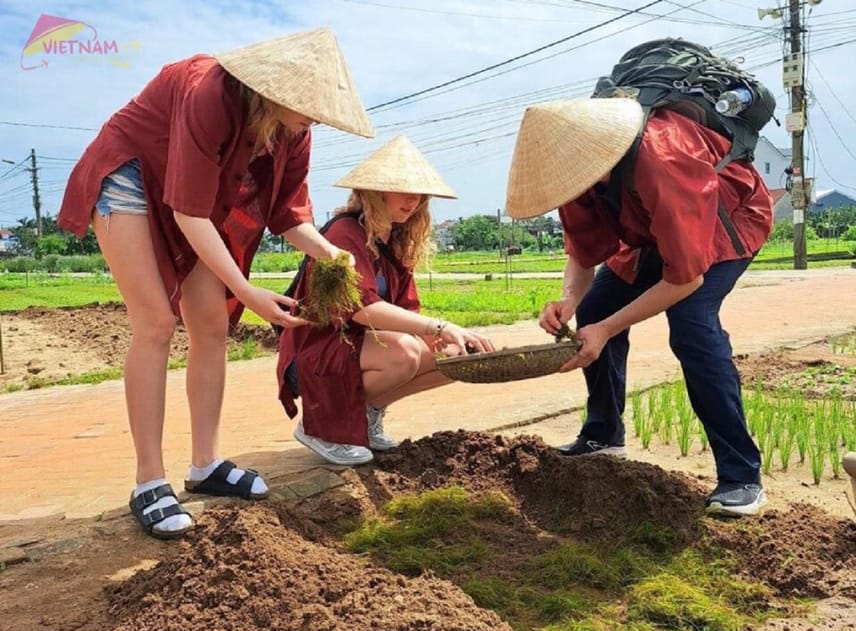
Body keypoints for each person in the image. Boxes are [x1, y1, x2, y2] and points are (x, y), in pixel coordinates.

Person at [57, 28, 374, 539]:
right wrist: (247, 294)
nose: (314, 116)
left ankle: (204, 465)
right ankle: (148, 481)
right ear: (275, 90)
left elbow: (290, 214)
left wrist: (331, 252)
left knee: (211, 325)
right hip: (131, 174)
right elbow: (188, 210)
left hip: (189, 200)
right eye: (307, 105)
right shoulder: (210, 91)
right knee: (156, 323)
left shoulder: (293, 132)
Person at [505, 98, 773, 517]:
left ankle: (741, 476)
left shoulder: (663, 157)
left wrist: (608, 330)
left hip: (725, 221)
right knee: (593, 309)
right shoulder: (576, 177)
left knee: (691, 325)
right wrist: (568, 301)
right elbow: (584, 251)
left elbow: (685, 277)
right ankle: (603, 435)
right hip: (649, 231)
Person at [277, 135, 495, 465]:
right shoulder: (344, 233)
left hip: (361, 349)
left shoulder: (395, 240)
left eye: (420, 194)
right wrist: (441, 326)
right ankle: (320, 425)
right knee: (405, 353)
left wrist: (454, 338)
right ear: (376, 191)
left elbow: (406, 311)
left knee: (456, 357)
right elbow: (362, 309)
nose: (414, 201)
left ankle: (363, 416)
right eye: (404, 190)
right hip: (317, 352)